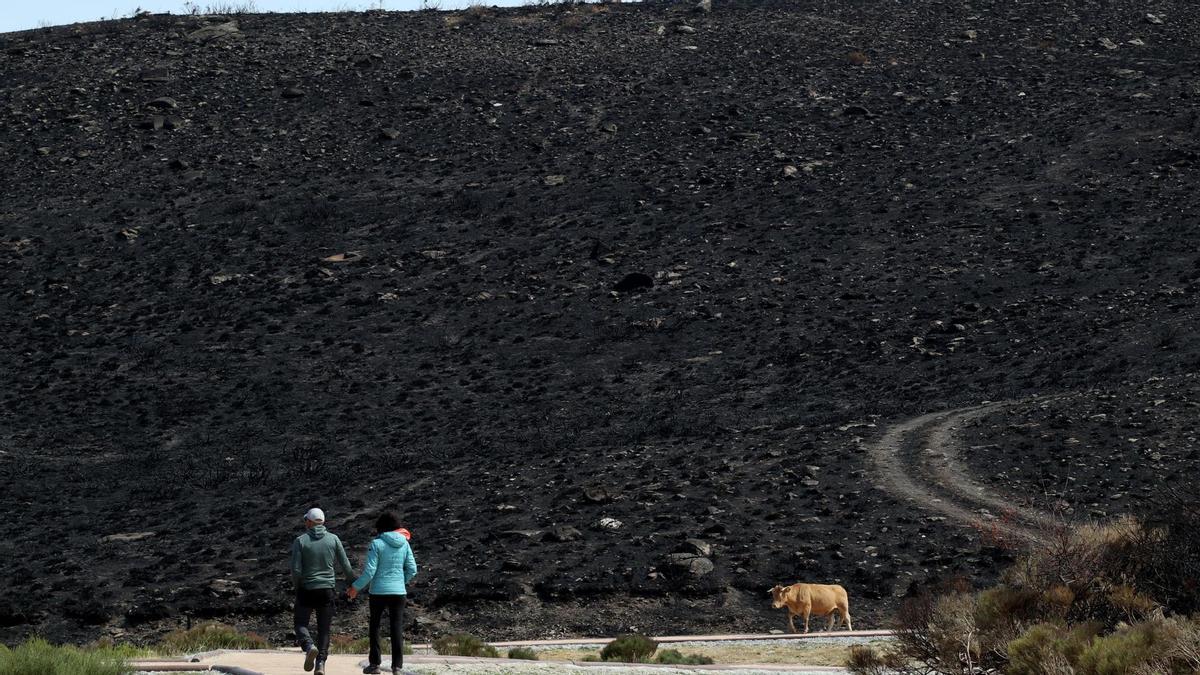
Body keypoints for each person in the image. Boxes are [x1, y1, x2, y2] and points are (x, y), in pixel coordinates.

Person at [348, 511, 418, 675]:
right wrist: (401, 581)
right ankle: (397, 667)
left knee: (375, 627)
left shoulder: (377, 544)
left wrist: (355, 588)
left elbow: (370, 572)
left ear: (381, 528)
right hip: (399, 592)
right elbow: (412, 569)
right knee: (396, 628)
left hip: (378, 591)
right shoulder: (405, 544)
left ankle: (375, 665)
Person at [290, 507, 356, 675]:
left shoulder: (301, 541)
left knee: (300, 623)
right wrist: (352, 584)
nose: (305, 522)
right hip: (327, 590)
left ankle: (309, 646)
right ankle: (320, 665)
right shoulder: (333, 539)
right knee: (324, 629)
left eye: (306, 520)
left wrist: (298, 587)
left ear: (310, 522)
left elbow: (296, 570)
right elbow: (346, 566)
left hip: (307, 589)